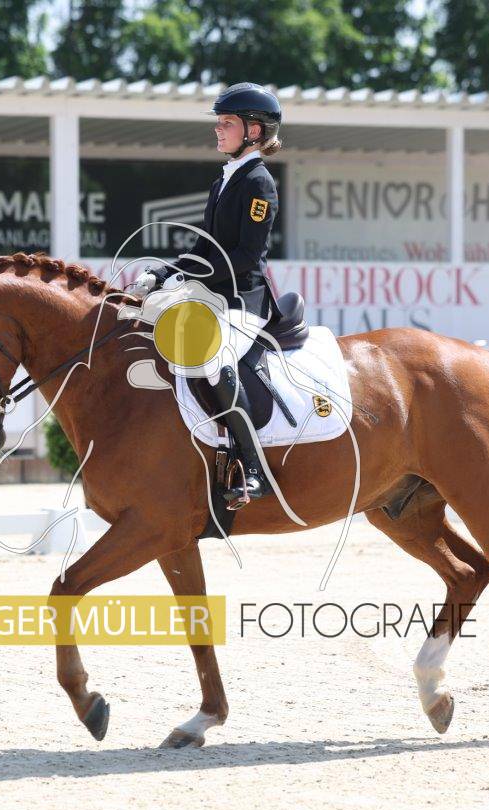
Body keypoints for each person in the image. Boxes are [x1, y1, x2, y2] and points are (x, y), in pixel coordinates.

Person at [133, 82, 284, 507]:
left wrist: (190, 276)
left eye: (227, 123)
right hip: (211, 296)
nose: (218, 130)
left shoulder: (259, 182)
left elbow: (246, 256)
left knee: (213, 360)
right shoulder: (224, 179)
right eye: (218, 122)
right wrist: (165, 271)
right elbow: (205, 246)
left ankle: (254, 469)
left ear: (254, 131)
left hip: (243, 300)